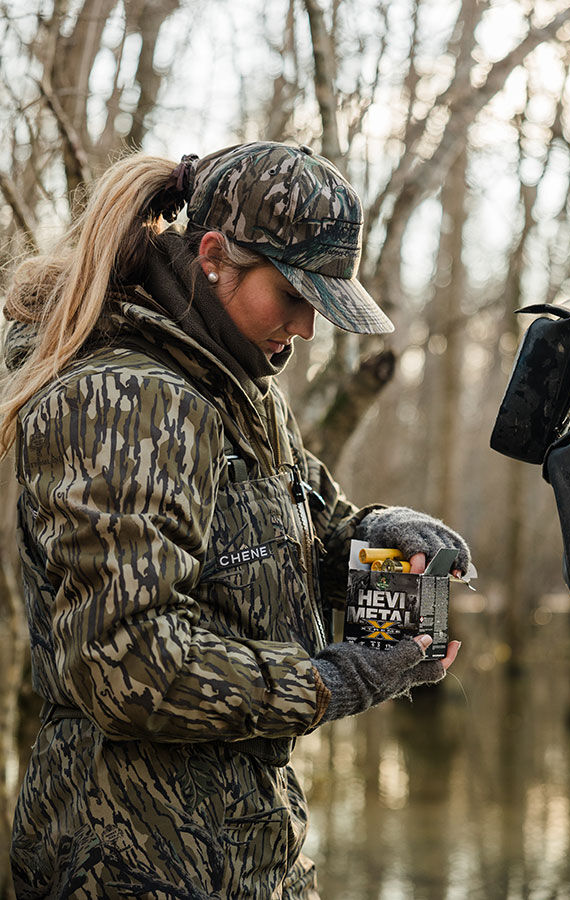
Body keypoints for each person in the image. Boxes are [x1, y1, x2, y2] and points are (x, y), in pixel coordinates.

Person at [2, 142, 470, 899]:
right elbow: (128, 663)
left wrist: (378, 540)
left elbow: (292, 538)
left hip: (255, 850)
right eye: (293, 295)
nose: (308, 328)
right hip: (130, 867)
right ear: (215, 255)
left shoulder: (240, 381)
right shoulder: (125, 398)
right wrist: (328, 684)